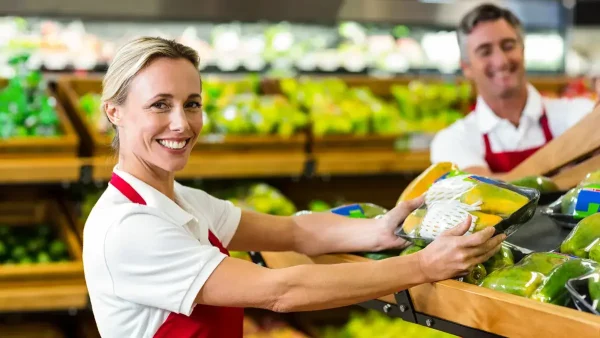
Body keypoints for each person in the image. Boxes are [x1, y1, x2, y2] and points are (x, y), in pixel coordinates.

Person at [82, 36, 506, 338]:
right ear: (115, 112)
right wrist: (422, 267)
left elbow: (294, 231)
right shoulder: (129, 227)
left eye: (192, 104)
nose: (182, 123)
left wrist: (379, 230)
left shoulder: (179, 200)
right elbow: (280, 292)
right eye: (160, 104)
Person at [430, 3, 596, 177]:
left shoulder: (577, 112)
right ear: (466, 67)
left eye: (508, 46)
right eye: (485, 52)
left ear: (523, 50)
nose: (501, 61)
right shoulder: (453, 140)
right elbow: (479, 191)